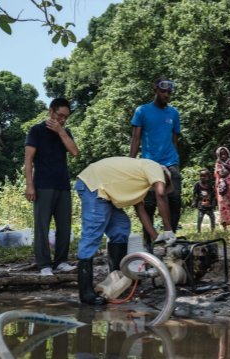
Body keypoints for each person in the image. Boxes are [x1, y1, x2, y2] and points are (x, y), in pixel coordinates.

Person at [74, 157, 176, 305]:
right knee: (93, 232)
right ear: (165, 176)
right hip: (94, 184)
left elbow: (140, 210)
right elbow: (161, 194)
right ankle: (86, 293)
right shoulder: (156, 168)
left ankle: (118, 279)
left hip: (104, 190)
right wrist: (168, 230)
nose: (158, 186)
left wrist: (156, 236)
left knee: (121, 227)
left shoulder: (141, 181)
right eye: (164, 183)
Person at [25, 98, 79, 276]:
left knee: (64, 226)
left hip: (63, 184)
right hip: (42, 185)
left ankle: (61, 261)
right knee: (42, 226)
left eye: (66, 117)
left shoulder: (65, 131)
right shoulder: (36, 130)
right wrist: (29, 185)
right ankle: (44, 265)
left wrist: (61, 131)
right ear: (51, 111)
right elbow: (28, 160)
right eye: (60, 115)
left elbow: (74, 152)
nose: (62, 119)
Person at [129, 77, 182, 252]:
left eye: (169, 92)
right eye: (163, 91)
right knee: (149, 204)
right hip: (149, 163)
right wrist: (131, 162)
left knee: (174, 201)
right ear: (156, 89)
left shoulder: (173, 113)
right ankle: (149, 244)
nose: (166, 94)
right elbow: (136, 138)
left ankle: (170, 240)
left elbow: (174, 140)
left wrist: (176, 163)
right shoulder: (142, 111)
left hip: (171, 162)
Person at [214, 147, 230, 230]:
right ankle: (225, 228)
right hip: (223, 189)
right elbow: (222, 174)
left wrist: (224, 164)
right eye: (221, 154)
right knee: (223, 206)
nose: (223, 156)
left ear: (228, 154)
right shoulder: (217, 164)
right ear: (218, 155)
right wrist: (229, 169)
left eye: (225, 154)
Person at [192, 168, 215, 233]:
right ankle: (199, 231)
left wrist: (213, 203)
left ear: (208, 177)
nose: (202, 177)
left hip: (209, 204)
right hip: (201, 204)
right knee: (200, 218)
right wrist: (194, 202)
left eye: (204, 176)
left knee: (212, 217)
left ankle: (213, 231)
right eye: (201, 176)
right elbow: (194, 194)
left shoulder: (210, 185)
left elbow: (213, 195)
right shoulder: (197, 184)